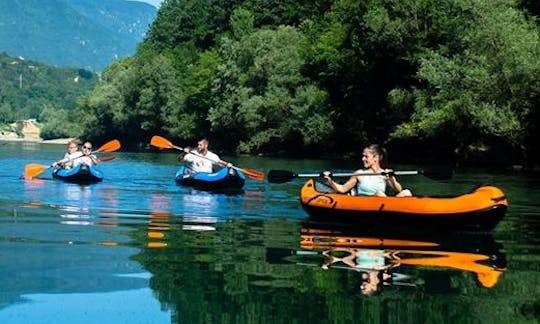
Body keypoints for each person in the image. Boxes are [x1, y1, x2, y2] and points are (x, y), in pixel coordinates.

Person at [324, 144, 412, 197]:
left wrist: (392, 179)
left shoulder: (385, 173)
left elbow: (399, 190)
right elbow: (342, 189)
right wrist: (330, 181)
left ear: (376, 158)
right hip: (366, 204)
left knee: (406, 192)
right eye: (363, 156)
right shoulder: (359, 173)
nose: (363, 159)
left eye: (366, 156)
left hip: (384, 203)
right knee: (379, 194)